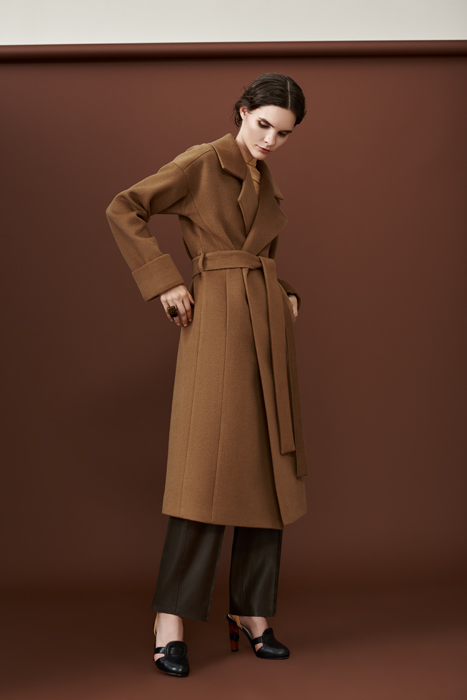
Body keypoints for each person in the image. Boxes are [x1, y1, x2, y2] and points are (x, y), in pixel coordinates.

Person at [106, 72, 308, 678]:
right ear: (242, 111)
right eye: (263, 124)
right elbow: (125, 207)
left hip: (265, 325)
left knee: (268, 468)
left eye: (283, 133)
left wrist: (285, 291)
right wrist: (165, 281)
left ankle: (252, 610)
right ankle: (169, 619)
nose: (270, 140)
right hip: (217, 320)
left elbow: (261, 256)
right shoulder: (202, 162)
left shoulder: (267, 184)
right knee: (205, 472)